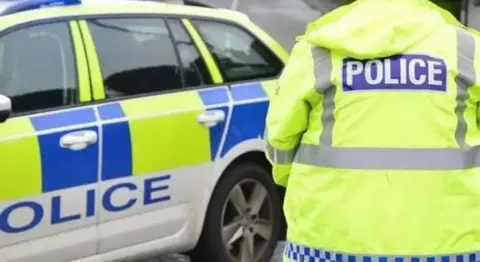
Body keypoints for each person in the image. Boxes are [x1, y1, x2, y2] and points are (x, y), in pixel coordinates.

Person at [264, 0, 480, 261]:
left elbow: (279, 145)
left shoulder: (318, 48)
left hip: (326, 244)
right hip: (449, 248)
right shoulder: (468, 50)